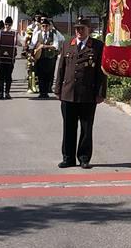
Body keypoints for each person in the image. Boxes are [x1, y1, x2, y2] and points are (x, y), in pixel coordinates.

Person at [55, 17, 106, 168]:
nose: (79, 31)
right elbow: (61, 68)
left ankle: (84, 157)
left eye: (82, 28)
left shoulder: (97, 46)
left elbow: (101, 72)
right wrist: (58, 89)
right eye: (77, 28)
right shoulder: (67, 44)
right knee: (68, 127)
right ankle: (68, 158)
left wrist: (101, 93)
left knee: (86, 128)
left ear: (89, 30)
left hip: (87, 94)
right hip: (68, 93)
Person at [33, 18, 61, 98]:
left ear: (49, 27)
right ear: (41, 27)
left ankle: (46, 91)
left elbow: (55, 46)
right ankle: (42, 92)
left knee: (48, 75)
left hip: (50, 58)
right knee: (40, 75)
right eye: (43, 26)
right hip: (40, 58)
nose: (45, 28)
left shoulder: (53, 35)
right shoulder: (38, 34)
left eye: (46, 26)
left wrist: (45, 46)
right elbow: (33, 44)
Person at [0, 16, 19, 99]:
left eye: (9, 25)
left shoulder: (15, 34)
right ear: (4, 25)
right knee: (1, 75)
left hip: (10, 58)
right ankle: (1, 93)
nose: (7, 26)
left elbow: (20, 42)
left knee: (8, 76)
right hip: (1, 58)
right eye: (6, 24)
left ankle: (7, 93)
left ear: (11, 25)